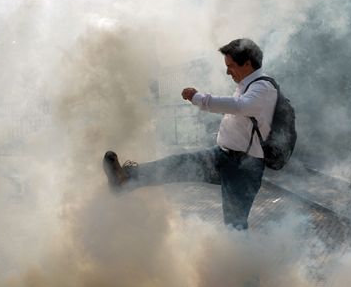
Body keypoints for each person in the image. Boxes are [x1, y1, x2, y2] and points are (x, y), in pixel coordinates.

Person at [103, 38, 277, 230]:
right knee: (175, 164)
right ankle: (126, 179)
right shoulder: (247, 85)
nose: (228, 72)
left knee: (234, 225)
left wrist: (198, 97)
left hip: (244, 168)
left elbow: (239, 106)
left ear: (247, 63)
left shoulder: (263, 88)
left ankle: (242, 258)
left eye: (231, 66)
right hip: (223, 156)